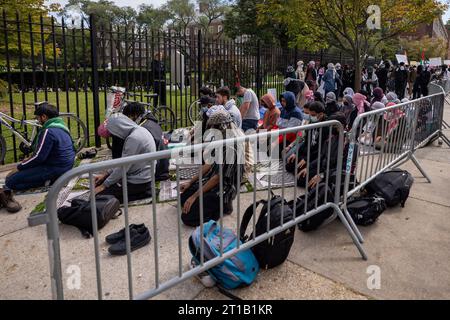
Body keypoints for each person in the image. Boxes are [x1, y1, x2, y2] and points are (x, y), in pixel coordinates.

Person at [3, 104, 75, 212]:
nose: (37, 120)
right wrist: (28, 162)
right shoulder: (61, 125)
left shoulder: (48, 131)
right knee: (21, 174)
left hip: (54, 168)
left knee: (10, 181)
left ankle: (48, 180)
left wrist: (19, 167)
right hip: (66, 165)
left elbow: (38, 158)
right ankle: (47, 179)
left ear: (44, 117)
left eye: (38, 118)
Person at [180, 111, 244, 227]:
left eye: (213, 127)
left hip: (225, 187)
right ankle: (211, 203)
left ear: (221, 127)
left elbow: (218, 178)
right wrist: (190, 182)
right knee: (184, 197)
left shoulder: (231, 145)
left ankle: (223, 206)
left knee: (187, 217)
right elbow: (208, 164)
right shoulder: (220, 139)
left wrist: (195, 196)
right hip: (214, 180)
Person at [95, 114, 156, 203]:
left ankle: (144, 193)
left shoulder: (133, 138)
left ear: (118, 128)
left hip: (139, 182)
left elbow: (123, 167)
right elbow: (123, 162)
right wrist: (106, 174)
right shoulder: (139, 131)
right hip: (140, 176)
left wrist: (104, 185)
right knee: (104, 184)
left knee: (99, 196)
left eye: (113, 134)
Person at [285, 101, 328, 176]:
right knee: (289, 165)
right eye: (310, 114)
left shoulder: (326, 127)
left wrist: (306, 159)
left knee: (298, 174)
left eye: (313, 115)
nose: (311, 117)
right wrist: (296, 154)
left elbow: (320, 149)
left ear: (321, 114)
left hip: (315, 156)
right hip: (307, 152)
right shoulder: (311, 123)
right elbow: (306, 141)